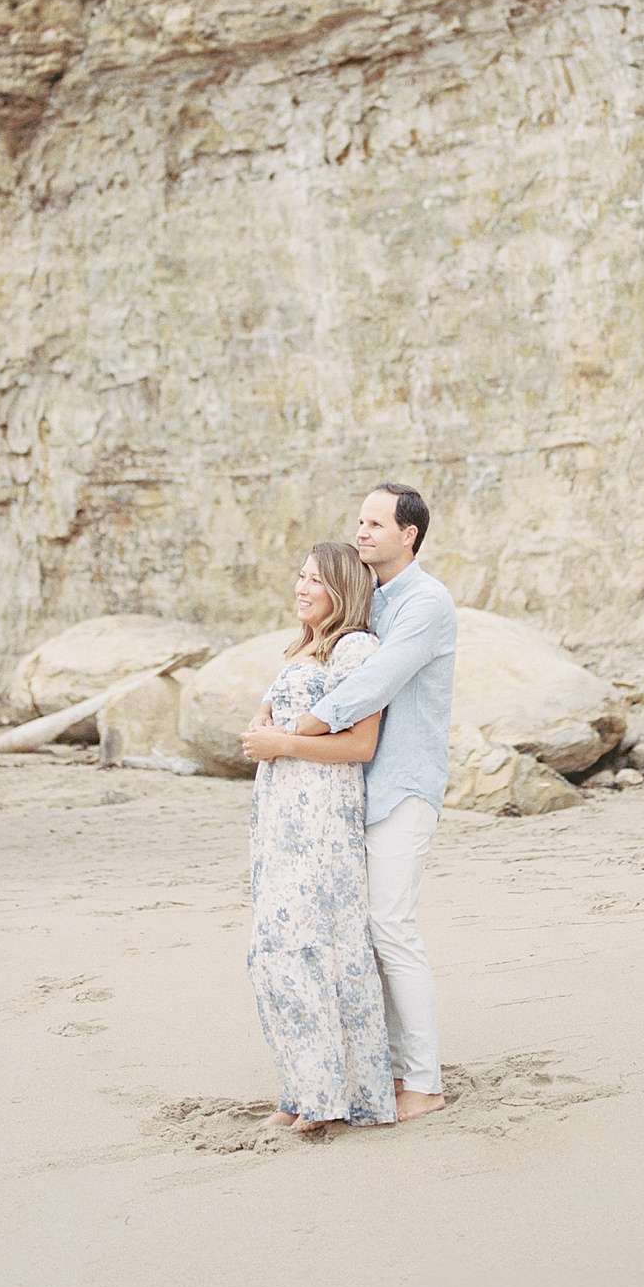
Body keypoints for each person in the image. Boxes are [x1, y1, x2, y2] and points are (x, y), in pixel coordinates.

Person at [292, 483, 457, 1123]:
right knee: (364, 935)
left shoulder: (426, 603)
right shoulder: (370, 598)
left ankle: (425, 1081)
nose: (361, 532)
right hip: (355, 789)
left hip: (404, 786)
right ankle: (382, 1070)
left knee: (392, 928)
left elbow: (377, 681)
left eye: (375, 524)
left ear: (408, 535)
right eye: (359, 522)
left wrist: (303, 728)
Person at [239, 541, 397, 1132]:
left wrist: (281, 743)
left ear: (342, 589)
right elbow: (277, 716)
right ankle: (300, 1087)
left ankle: (331, 1096)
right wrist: (262, 725)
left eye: (314, 580)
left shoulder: (356, 648)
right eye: (300, 576)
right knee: (274, 948)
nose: (301, 588)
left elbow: (361, 744)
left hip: (322, 817)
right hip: (280, 814)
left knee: (313, 945)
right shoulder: (304, 647)